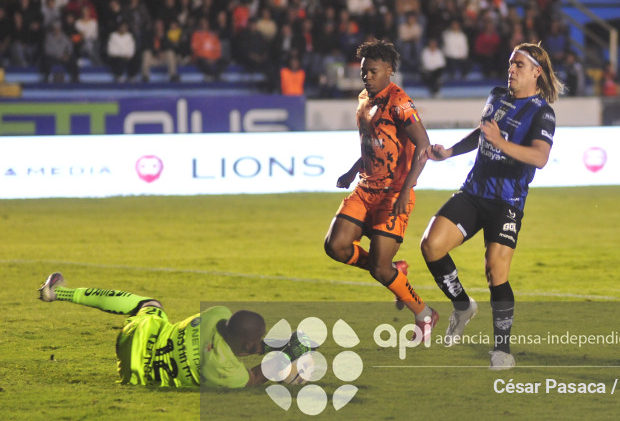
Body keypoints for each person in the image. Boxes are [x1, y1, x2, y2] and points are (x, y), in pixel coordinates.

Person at [420, 42, 563, 370]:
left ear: (536, 73)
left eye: (519, 66)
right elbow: (482, 134)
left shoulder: (542, 112)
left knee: (495, 271)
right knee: (431, 246)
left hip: (507, 201)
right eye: (510, 63)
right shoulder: (496, 95)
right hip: (474, 192)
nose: (510, 70)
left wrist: (501, 142)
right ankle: (462, 305)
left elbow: (539, 157)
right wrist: (450, 152)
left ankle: (502, 351)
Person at [323, 39, 438, 341]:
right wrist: (351, 170)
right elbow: (374, 145)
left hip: (393, 194)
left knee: (379, 268)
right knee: (335, 246)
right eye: (364, 72)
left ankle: (425, 314)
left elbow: (424, 147)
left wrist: (405, 192)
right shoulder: (364, 99)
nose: (367, 77)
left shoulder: (400, 103)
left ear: (389, 70)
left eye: (373, 71)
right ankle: (393, 271)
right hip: (365, 189)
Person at [36, 272, 281, 388]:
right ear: (248, 343)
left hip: (140, 336)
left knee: (149, 305)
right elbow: (254, 378)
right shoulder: (229, 372)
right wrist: (288, 354)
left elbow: (233, 341)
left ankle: (58, 293)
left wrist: (264, 346)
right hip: (138, 372)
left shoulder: (217, 314)